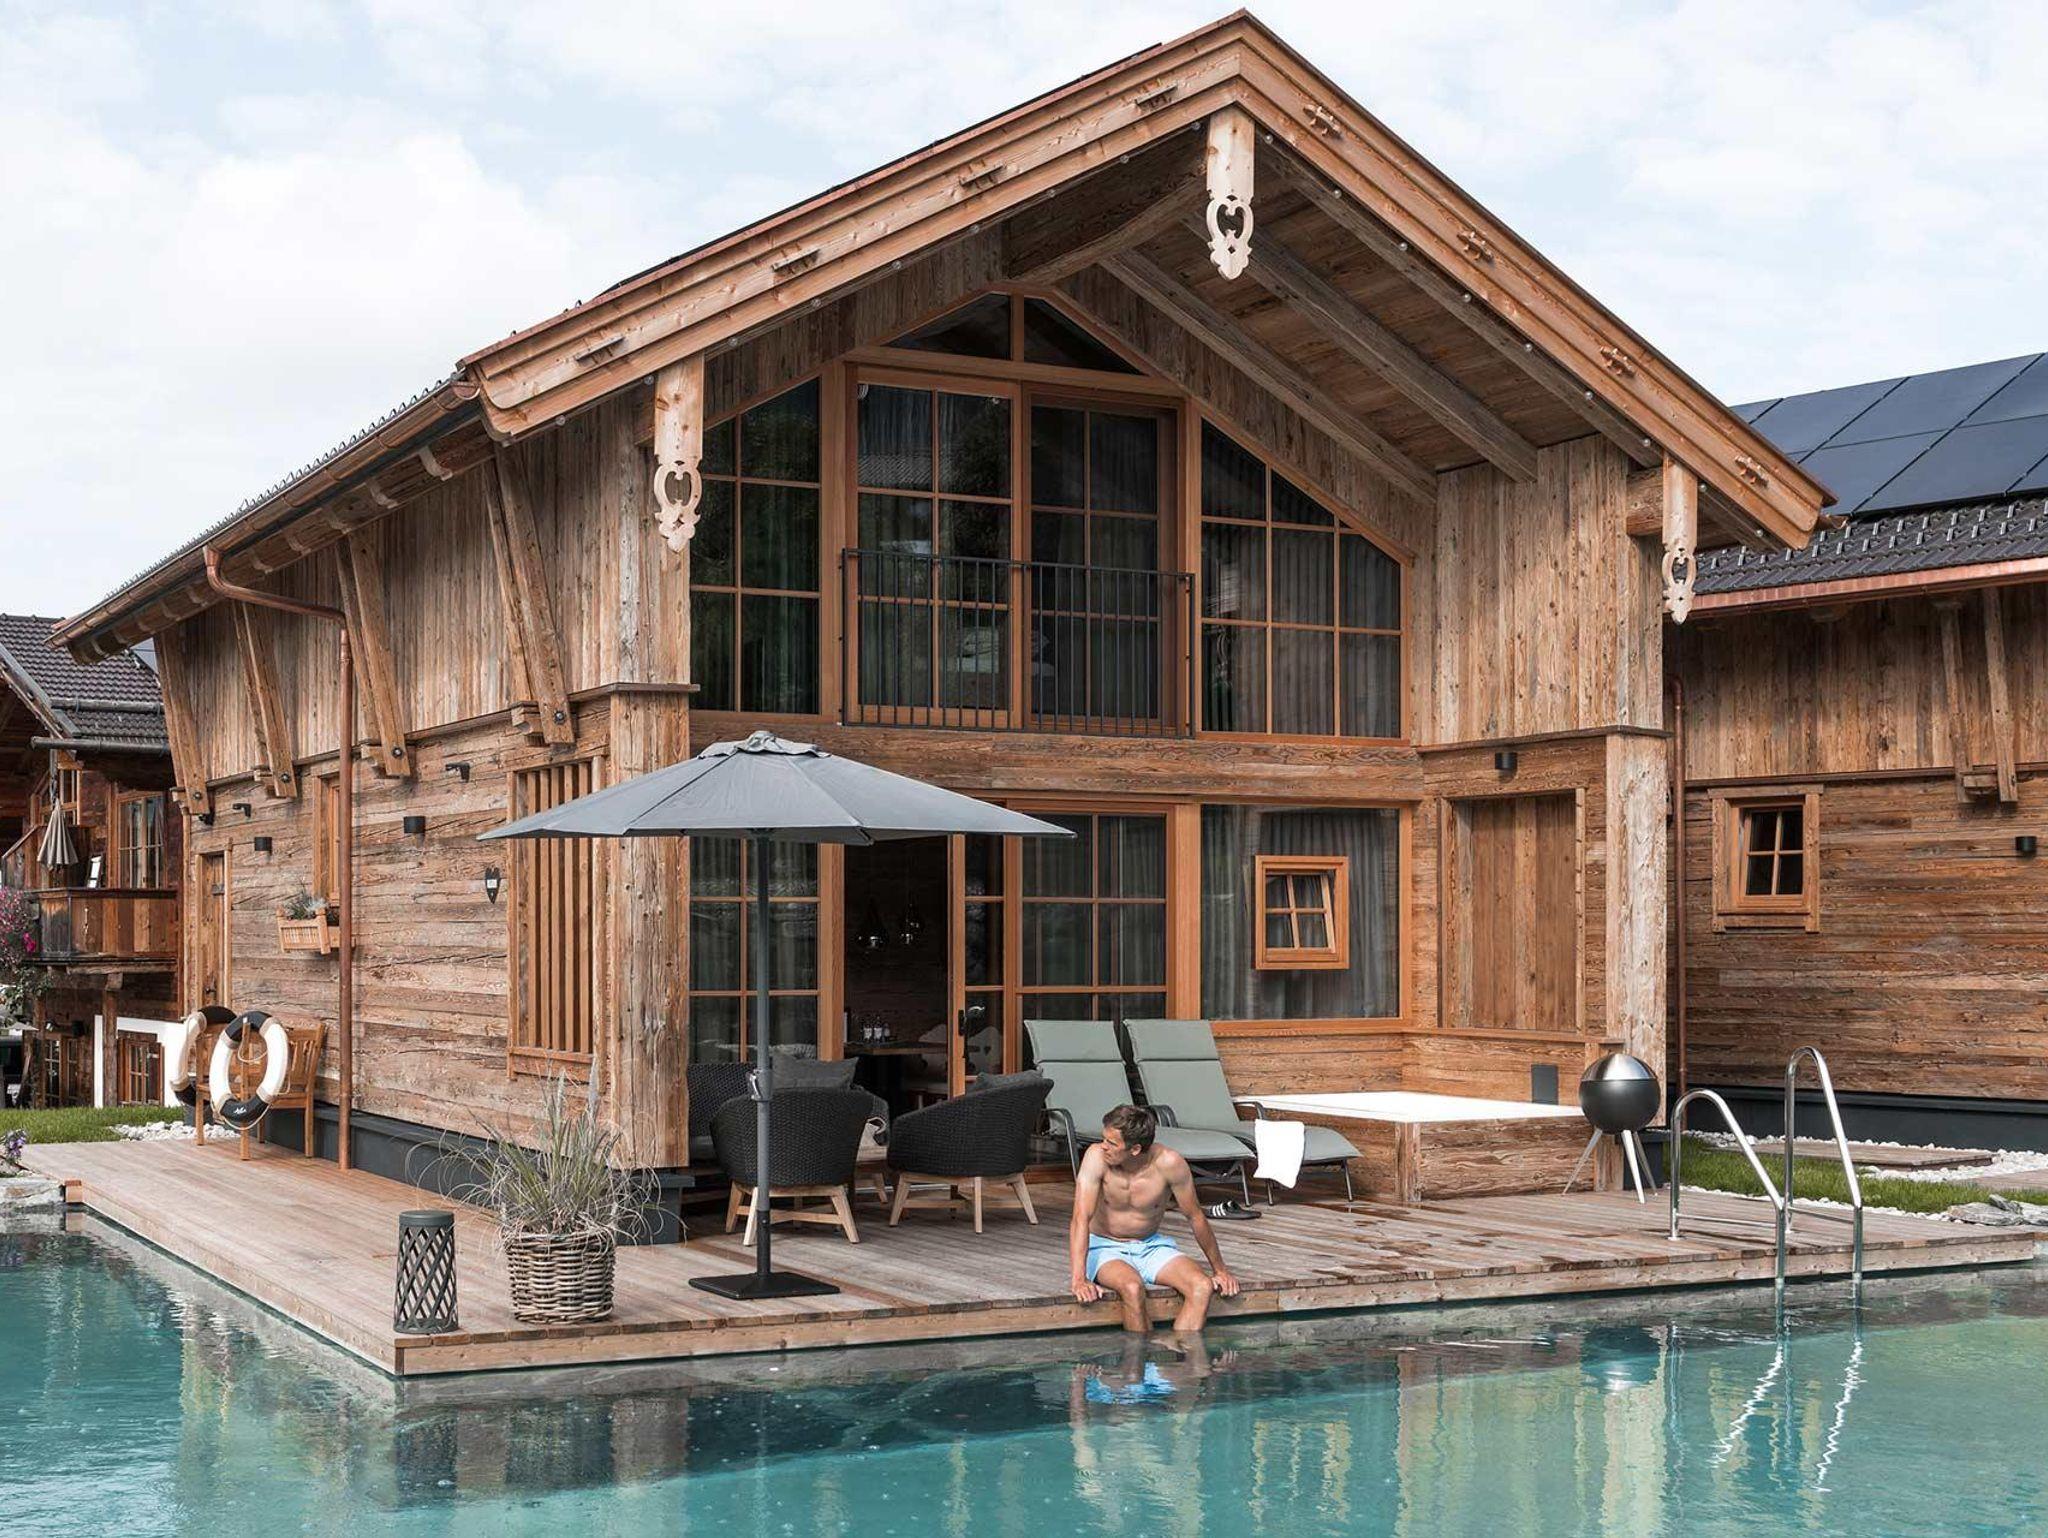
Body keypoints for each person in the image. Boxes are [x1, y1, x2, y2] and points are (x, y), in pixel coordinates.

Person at [1069, 1104, 1239, 1333]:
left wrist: (1220, 1270)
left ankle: (1181, 1352)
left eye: (1112, 1143)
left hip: (1151, 1247)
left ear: (1135, 1149)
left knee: (1201, 1286)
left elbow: (1195, 1216)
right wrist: (1079, 1279)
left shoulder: (1169, 1164)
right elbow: (1080, 1218)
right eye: (1103, 1139)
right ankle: (1143, 1353)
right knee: (1132, 1287)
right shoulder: (1096, 1157)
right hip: (1104, 1247)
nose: (1104, 1146)